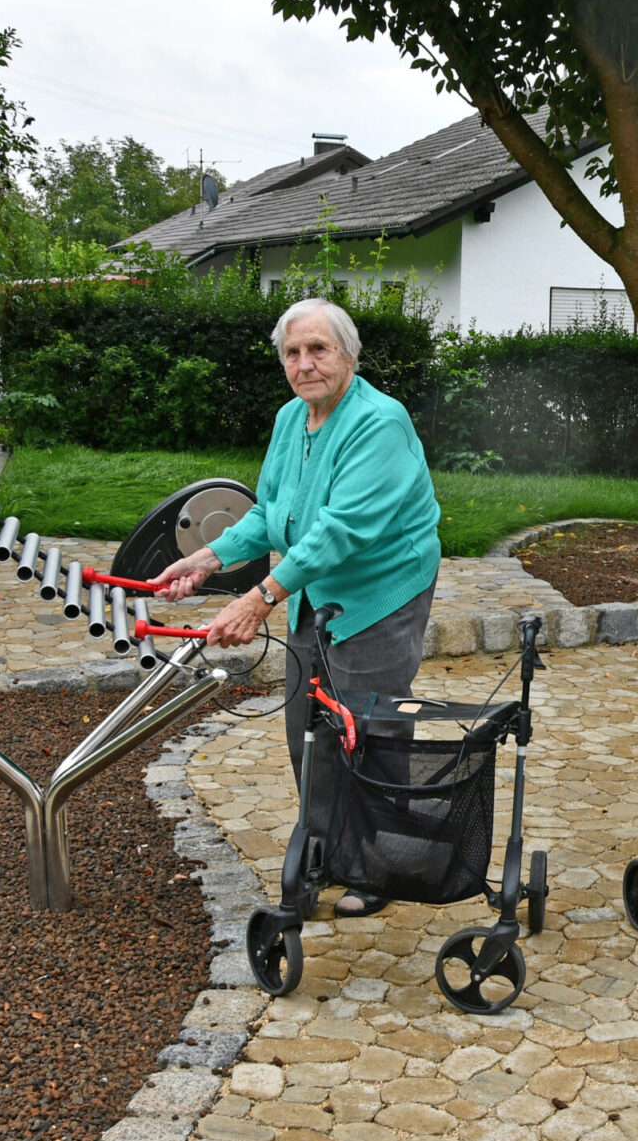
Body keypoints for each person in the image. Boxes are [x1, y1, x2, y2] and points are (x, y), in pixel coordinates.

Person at [151, 296, 442, 918]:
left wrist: (259, 598)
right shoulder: (293, 418)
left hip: (379, 590)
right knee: (307, 726)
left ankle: (379, 865)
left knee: (369, 724)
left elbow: (342, 530)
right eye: (293, 352)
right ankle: (322, 850)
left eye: (318, 349)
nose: (305, 363)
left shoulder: (379, 423)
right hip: (310, 587)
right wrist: (207, 559)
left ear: (349, 355)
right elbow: (271, 512)